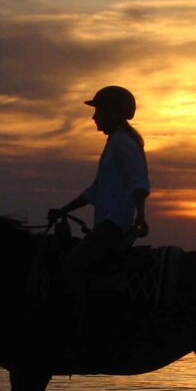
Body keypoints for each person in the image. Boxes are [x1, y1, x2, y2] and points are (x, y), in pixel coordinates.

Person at [48, 85, 150, 279]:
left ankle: (78, 309)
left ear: (113, 113)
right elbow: (94, 191)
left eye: (98, 111)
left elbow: (140, 183)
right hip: (106, 224)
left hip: (113, 225)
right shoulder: (114, 143)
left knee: (71, 266)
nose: (94, 117)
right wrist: (64, 210)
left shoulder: (123, 144)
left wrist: (141, 217)